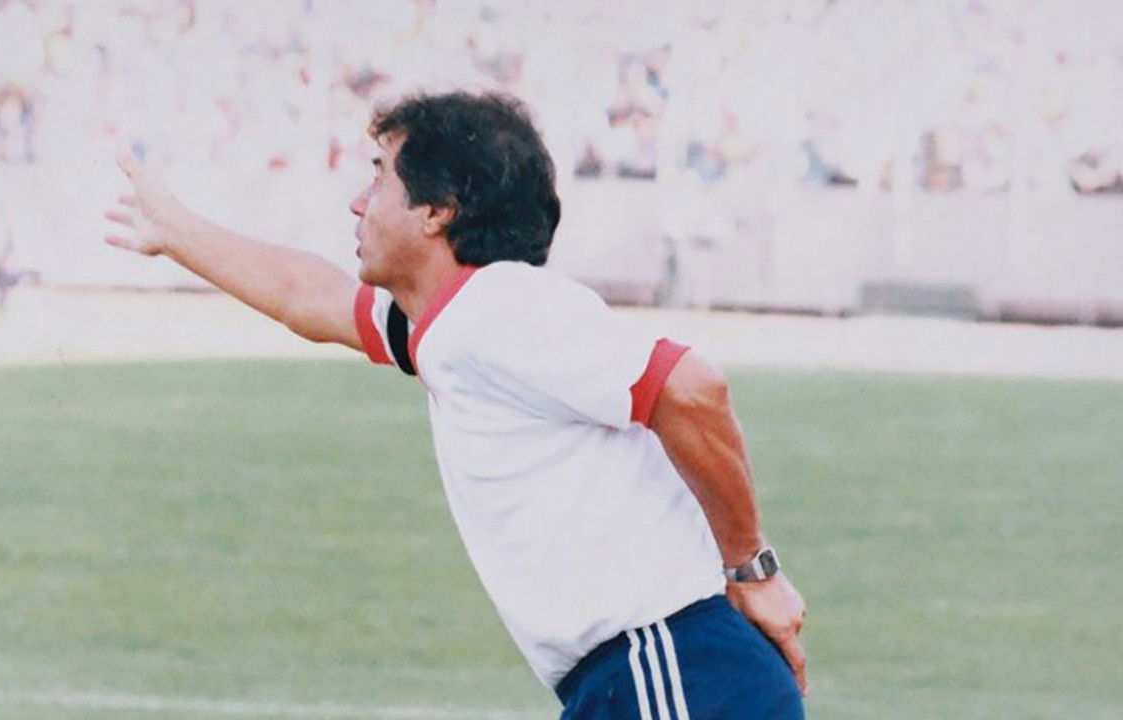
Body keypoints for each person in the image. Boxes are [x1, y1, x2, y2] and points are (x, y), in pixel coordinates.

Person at [105, 90, 806, 719]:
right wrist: (177, 231)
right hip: (648, 676)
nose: (358, 202)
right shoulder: (454, 326)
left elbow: (690, 387)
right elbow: (306, 297)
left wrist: (751, 570)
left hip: (673, 672)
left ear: (438, 210)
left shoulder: (503, 308)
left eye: (379, 177)